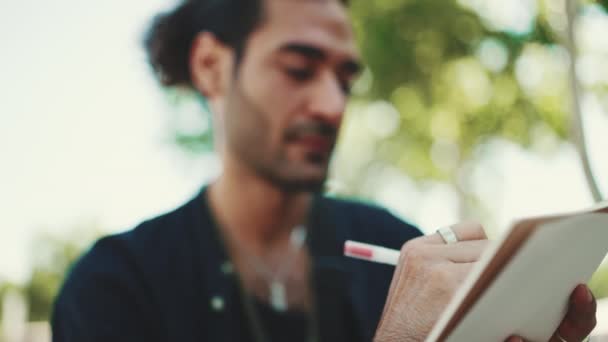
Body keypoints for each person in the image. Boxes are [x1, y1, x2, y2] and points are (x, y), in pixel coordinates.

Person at [51, 0, 598, 341]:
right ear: (212, 66)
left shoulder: (393, 246)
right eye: (298, 69)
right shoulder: (116, 287)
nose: (332, 103)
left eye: (344, 77)